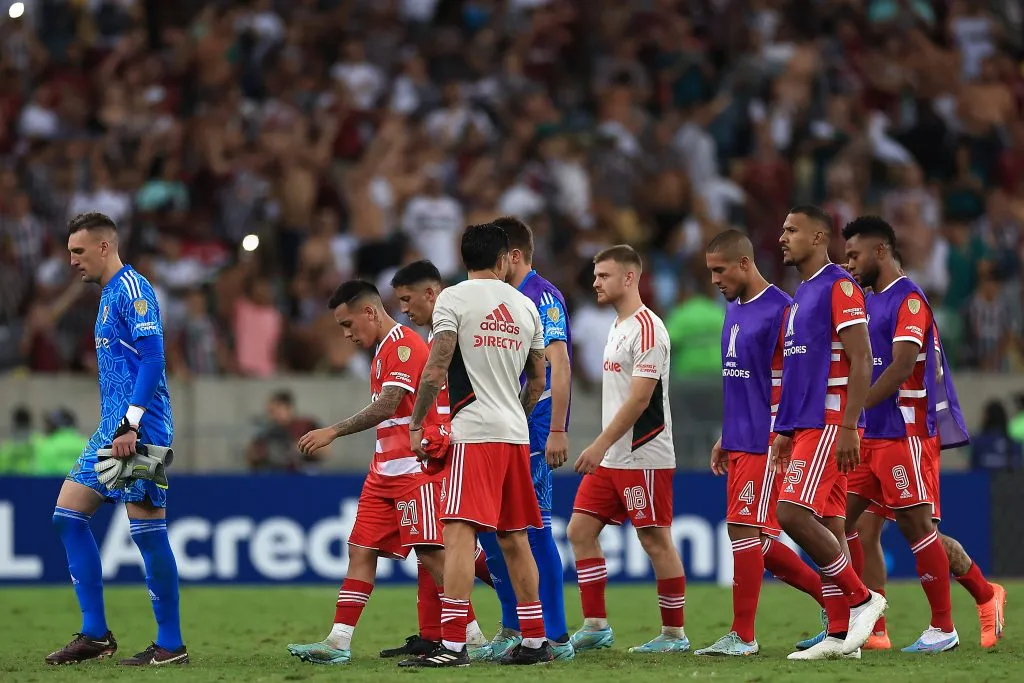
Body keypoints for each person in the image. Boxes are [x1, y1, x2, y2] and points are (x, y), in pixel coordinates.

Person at [285, 280, 485, 665]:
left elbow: (390, 405)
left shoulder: (405, 344)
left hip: (415, 469)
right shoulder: (381, 351)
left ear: (370, 312)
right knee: (360, 549)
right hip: (384, 472)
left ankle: (472, 638)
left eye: (347, 324)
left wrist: (334, 430)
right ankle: (338, 641)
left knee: (432, 555)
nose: (346, 334)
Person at [403, 222, 552, 667]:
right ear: (505, 258)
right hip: (512, 435)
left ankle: (452, 645)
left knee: (457, 533)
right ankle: (534, 640)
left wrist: (416, 424)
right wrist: (518, 417)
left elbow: (436, 366)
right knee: (514, 539)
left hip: (474, 434)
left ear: (464, 257)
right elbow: (539, 379)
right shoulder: (525, 306)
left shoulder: (453, 299)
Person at [47, 211, 186, 666]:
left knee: (147, 530)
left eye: (78, 251)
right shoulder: (107, 295)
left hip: (139, 429)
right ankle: (95, 635)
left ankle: (170, 645)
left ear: (104, 246)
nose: (72, 261)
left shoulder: (133, 289)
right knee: (67, 517)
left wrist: (130, 423)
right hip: (111, 429)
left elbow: (153, 359)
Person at [695, 230, 827, 656]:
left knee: (742, 529)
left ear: (745, 264)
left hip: (768, 439)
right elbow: (743, 381)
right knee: (761, 545)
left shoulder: (782, 311)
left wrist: (783, 436)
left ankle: (744, 637)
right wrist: (726, 434)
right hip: (741, 437)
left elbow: (796, 379)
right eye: (710, 270)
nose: (714, 279)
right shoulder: (734, 309)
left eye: (720, 270)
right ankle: (837, 602)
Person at [770, 205, 887, 660]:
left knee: (792, 515)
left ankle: (862, 599)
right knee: (833, 527)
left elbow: (863, 358)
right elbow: (801, 370)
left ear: (820, 237)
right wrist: (783, 429)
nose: (783, 237)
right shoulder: (802, 292)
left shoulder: (839, 284)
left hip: (828, 423)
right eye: (782, 229)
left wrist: (849, 426)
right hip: (804, 424)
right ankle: (841, 636)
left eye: (792, 229)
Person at [840, 216, 959, 653]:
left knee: (915, 525)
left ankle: (943, 628)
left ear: (881, 252)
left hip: (903, 433)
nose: (848, 263)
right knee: (837, 521)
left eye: (854, 255)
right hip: (872, 435)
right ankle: (858, 625)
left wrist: (852, 412)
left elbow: (903, 367)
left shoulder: (908, 299)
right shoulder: (869, 302)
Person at [567, 245, 689, 654]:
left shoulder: (648, 329)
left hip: (644, 454)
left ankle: (674, 635)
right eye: (595, 275)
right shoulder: (617, 326)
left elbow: (640, 400)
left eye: (603, 275)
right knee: (579, 531)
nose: (595, 281)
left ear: (629, 278)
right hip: (614, 456)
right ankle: (596, 625)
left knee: (656, 541)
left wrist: (599, 444)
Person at [467, 216, 574, 662]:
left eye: (498, 258)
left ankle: (556, 635)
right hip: (499, 426)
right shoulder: (500, 296)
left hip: (534, 425)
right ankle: (513, 627)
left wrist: (557, 429)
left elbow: (560, 365)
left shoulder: (542, 295)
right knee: (493, 528)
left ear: (513, 256)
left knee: (534, 526)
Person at [377, 260, 494, 659]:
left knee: (447, 545)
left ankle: (472, 633)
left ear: (432, 293)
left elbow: (443, 386)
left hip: (462, 446)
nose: (404, 309)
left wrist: (422, 428)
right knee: (440, 543)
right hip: (446, 448)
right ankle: (442, 633)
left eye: (408, 299)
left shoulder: (454, 324)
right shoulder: (446, 328)